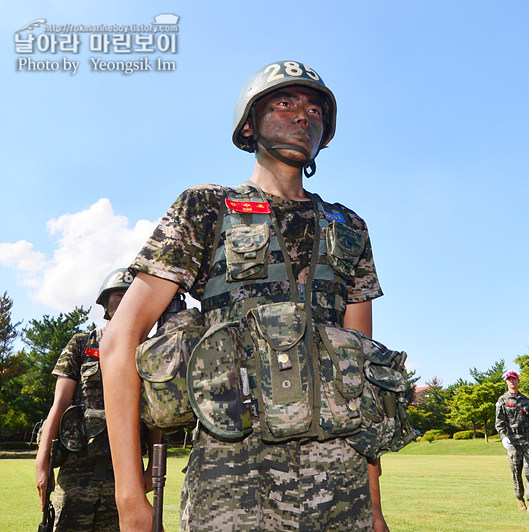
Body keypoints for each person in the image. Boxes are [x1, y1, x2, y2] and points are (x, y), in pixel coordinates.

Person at [101, 60, 389, 531]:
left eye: (316, 109)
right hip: (232, 476)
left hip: (341, 482)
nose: (304, 116)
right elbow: (120, 339)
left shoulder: (349, 227)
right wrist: (130, 497)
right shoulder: (205, 206)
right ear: (249, 124)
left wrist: (373, 505)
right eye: (285, 102)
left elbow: (364, 375)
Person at [34, 268, 151, 531]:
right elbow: (60, 404)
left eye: (131, 295)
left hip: (124, 476)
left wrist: (153, 466)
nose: (125, 301)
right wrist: (42, 461)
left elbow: (154, 414)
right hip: (77, 472)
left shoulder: (148, 351)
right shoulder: (81, 344)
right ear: (105, 303)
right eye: (119, 295)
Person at [495, 370, 529, 514]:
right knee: (516, 472)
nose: (512, 382)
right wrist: (503, 436)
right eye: (509, 379)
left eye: (514, 379)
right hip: (513, 441)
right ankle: (520, 500)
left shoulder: (525, 400)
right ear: (506, 382)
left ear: (518, 381)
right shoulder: (503, 400)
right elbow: (499, 422)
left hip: (528, 440)